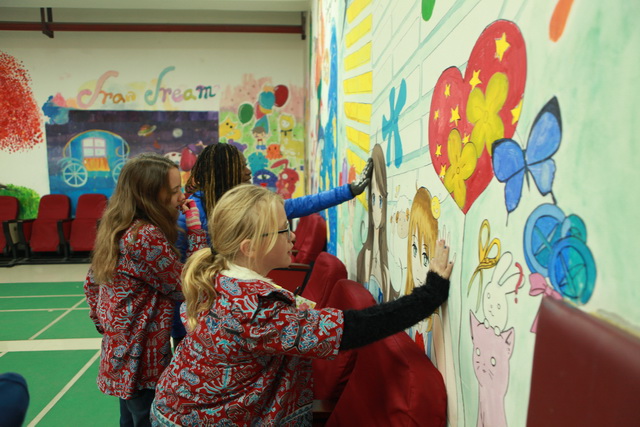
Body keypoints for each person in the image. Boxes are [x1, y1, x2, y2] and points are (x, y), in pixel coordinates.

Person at [151, 184, 453, 426]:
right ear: (250, 247)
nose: (293, 236)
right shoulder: (254, 310)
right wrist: (430, 293)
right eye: (284, 230)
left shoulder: (221, 277)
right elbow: (353, 329)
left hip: (181, 408)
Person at [171, 142, 373, 343]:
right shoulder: (190, 214)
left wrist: (348, 190)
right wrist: (180, 329)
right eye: (242, 166)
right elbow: (178, 276)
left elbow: (301, 204)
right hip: (200, 312)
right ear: (224, 172)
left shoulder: (245, 206)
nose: (248, 171)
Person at [84, 153, 208, 427]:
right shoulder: (145, 235)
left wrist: (105, 324)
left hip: (121, 349)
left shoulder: (117, 226)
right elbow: (186, 286)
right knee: (147, 417)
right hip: (142, 354)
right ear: (150, 196)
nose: (182, 197)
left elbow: (91, 283)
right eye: (174, 191)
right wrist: (196, 229)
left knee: (130, 416)